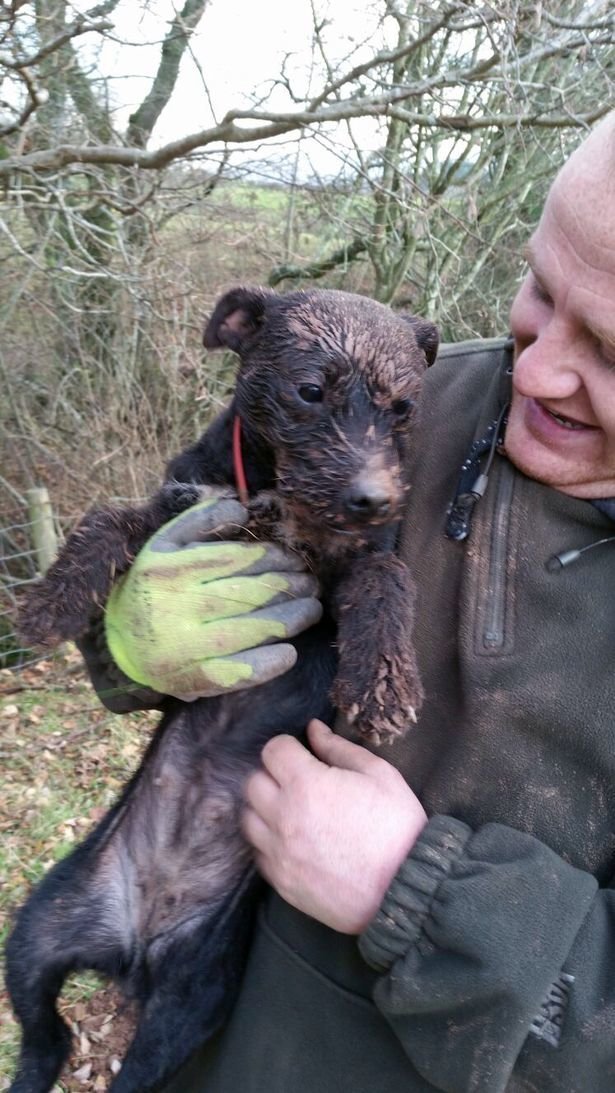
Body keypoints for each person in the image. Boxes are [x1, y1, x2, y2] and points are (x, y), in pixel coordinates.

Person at [79, 112, 615, 1091]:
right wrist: (123, 639)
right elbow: (176, 548)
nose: (534, 369)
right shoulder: (407, 391)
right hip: (202, 1035)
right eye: (541, 286)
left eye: (613, 353)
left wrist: (419, 898)